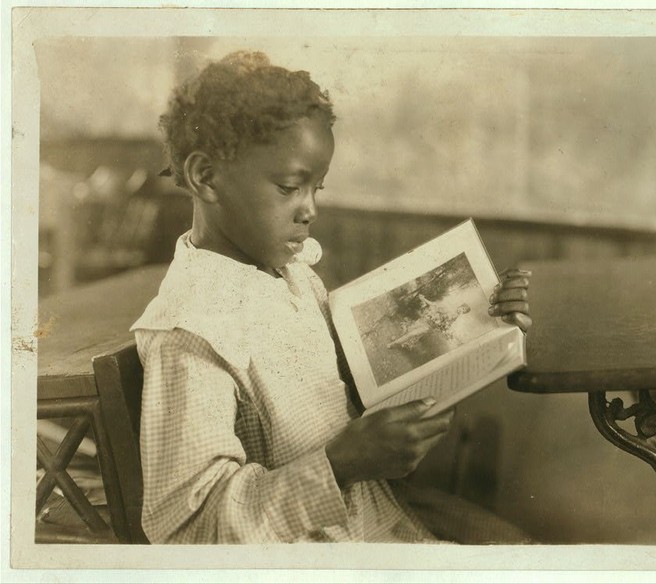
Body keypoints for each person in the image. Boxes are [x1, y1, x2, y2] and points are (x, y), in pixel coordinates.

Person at [131, 50, 534, 544]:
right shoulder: (190, 331)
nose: (310, 211)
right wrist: (341, 465)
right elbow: (189, 530)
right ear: (205, 177)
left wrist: (483, 320)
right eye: (289, 187)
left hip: (367, 520)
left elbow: (354, 384)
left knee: (519, 548)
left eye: (316, 189)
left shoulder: (291, 276)